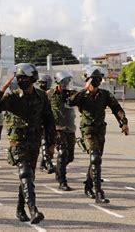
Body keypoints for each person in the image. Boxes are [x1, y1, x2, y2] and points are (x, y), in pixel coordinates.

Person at [0, 63, 55, 224]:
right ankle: (33, 210)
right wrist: (3, 88)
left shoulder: (41, 96)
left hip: (35, 142)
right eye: (18, 78)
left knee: (28, 177)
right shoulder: (12, 97)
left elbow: (49, 120)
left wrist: (51, 143)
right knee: (24, 173)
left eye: (23, 78)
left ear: (32, 78)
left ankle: (20, 208)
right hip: (17, 141)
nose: (20, 81)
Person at [69, 66, 129, 204]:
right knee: (95, 158)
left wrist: (123, 123)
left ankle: (88, 186)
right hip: (87, 130)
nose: (96, 81)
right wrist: (85, 88)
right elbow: (70, 102)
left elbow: (117, 108)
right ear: (88, 79)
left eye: (98, 79)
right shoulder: (81, 95)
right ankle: (98, 192)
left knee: (95, 160)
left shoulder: (105, 94)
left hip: (100, 130)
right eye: (93, 79)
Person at [50, 71, 77, 191]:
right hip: (57, 128)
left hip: (70, 128)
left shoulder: (71, 94)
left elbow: (80, 98)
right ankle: (62, 181)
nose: (66, 84)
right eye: (64, 82)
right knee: (63, 152)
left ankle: (59, 169)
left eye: (67, 81)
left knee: (70, 157)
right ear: (58, 82)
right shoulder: (49, 94)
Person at [37, 73, 55, 174]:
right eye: (40, 83)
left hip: (51, 121)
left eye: (43, 83)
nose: (41, 85)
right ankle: (48, 163)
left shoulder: (51, 93)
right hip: (40, 121)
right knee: (44, 141)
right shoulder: (37, 93)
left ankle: (44, 163)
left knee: (50, 144)